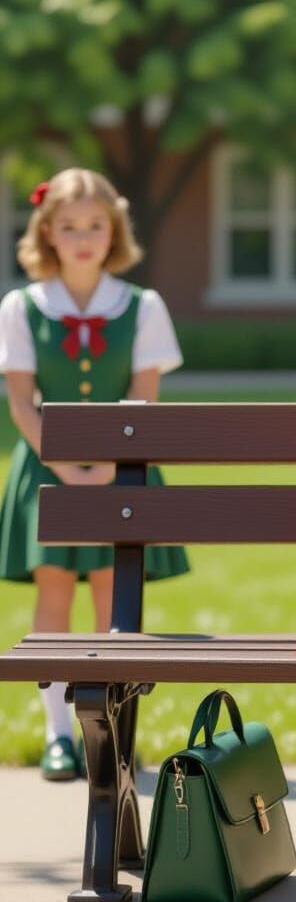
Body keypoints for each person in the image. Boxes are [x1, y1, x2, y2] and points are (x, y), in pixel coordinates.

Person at [0, 168, 189, 781]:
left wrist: (107, 465)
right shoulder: (21, 306)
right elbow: (21, 403)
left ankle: (111, 737)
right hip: (46, 471)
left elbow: (144, 396)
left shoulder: (142, 306)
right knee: (53, 595)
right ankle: (58, 733)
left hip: (122, 472)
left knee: (116, 598)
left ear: (114, 231)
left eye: (95, 225)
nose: (83, 238)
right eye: (69, 226)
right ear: (47, 232)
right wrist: (65, 467)